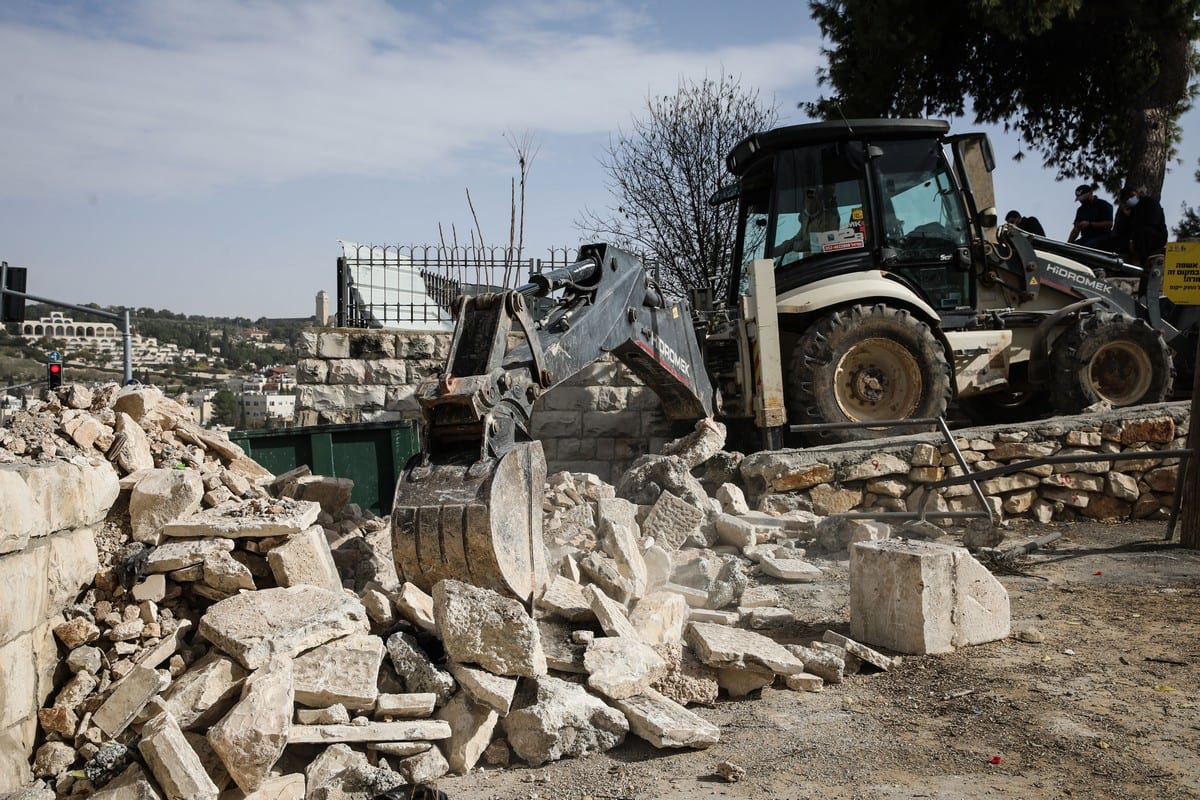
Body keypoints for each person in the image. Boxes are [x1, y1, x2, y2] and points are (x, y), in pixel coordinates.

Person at [1067, 184, 1114, 248]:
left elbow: (1109, 224)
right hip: (1085, 238)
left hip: (1102, 237)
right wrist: (1068, 244)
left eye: (1083, 198)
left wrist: (1090, 224)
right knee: (1072, 249)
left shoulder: (1103, 205)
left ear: (1090, 193)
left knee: (1087, 247)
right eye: (1080, 199)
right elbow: (1076, 229)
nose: (1081, 201)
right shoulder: (1081, 210)